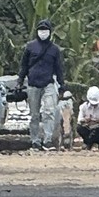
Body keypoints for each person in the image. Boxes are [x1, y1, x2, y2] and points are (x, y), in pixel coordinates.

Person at [19, 18, 65, 152]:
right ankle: (35, 141)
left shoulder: (55, 49)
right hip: (33, 84)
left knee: (49, 111)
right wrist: (20, 81)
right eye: (41, 30)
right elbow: (23, 66)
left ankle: (48, 140)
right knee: (34, 114)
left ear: (50, 32)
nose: (43, 32)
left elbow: (59, 68)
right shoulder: (30, 46)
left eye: (45, 30)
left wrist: (62, 85)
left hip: (48, 83)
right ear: (37, 31)